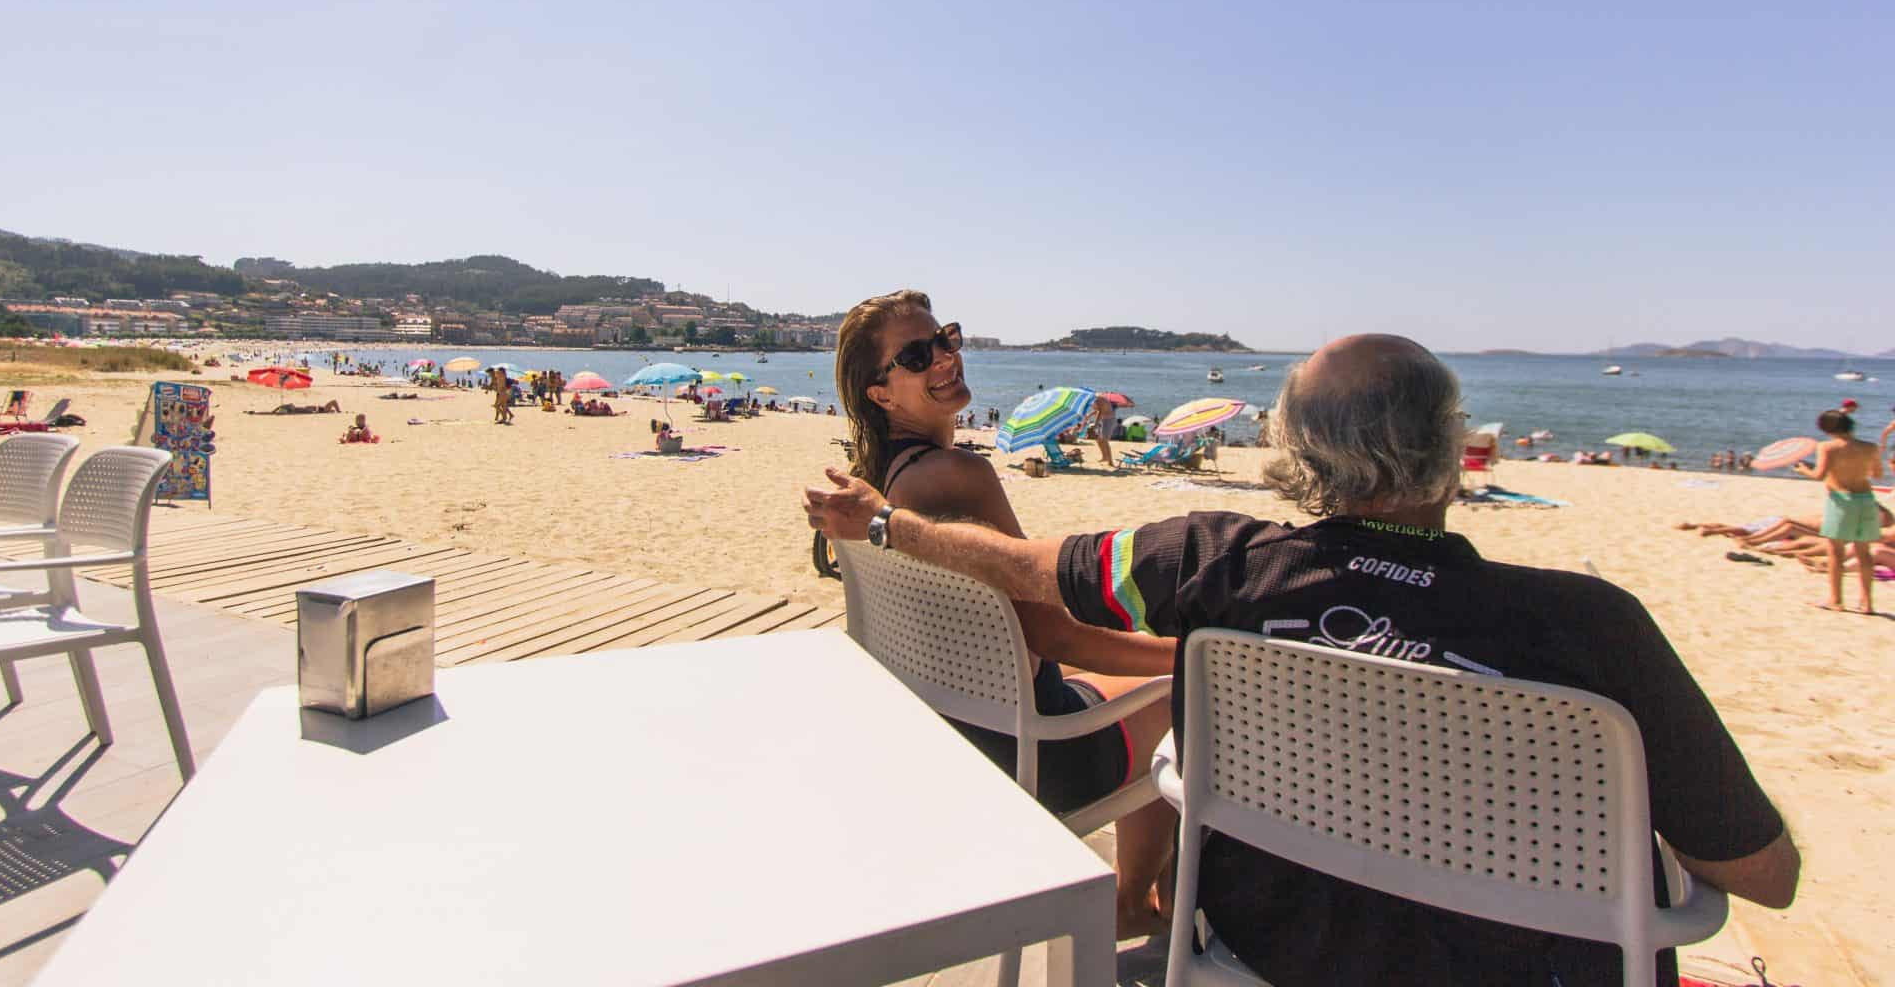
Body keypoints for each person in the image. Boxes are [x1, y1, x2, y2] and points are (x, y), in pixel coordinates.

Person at [807, 333, 1798, 985]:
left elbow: (1024, 565)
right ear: (1453, 452)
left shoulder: (1206, 560)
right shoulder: (1587, 626)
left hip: (1264, 947)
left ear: (1294, 451)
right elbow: (1761, 872)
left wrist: (885, 523)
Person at [834, 291, 1178, 937]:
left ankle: (1147, 897)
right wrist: (1187, 659)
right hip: (1036, 757)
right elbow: (1051, 632)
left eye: (946, 339)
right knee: (1187, 694)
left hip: (960, 739)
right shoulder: (955, 475)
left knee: (1149, 658)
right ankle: (1139, 902)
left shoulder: (884, 478)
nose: (944, 358)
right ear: (881, 393)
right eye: (917, 354)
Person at [1792, 409, 1886, 614]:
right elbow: (1878, 475)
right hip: (1866, 500)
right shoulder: (1871, 447)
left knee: (1835, 552)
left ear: (1828, 429)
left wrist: (1802, 470)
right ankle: (1867, 603)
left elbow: (1819, 475)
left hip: (1841, 501)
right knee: (1864, 553)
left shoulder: (1827, 447)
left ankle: (1836, 600)